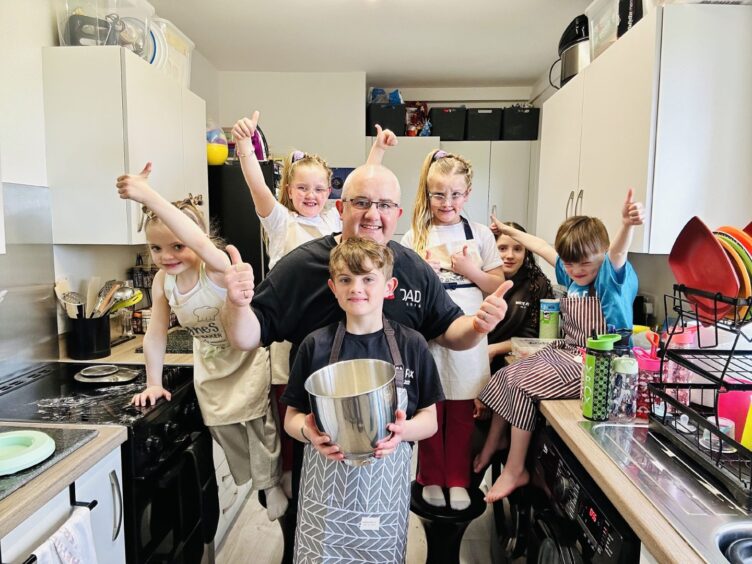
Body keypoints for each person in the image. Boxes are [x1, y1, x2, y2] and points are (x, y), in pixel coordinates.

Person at [221, 162, 513, 506]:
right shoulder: (302, 267)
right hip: (320, 452)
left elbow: (450, 330)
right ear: (341, 209)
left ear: (398, 214)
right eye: (361, 202)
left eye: (385, 205)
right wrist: (236, 303)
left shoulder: (412, 268)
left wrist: (478, 325)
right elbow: (246, 337)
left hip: (388, 463)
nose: (373, 214)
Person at [231, 115, 398, 498]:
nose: (311, 195)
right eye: (302, 187)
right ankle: (289, 480)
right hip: (291, 336)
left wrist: (379, 152)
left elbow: (365, 192)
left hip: (333, 339)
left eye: (319, 188)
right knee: (292, 412)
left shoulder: (331, 222)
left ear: (330, 196)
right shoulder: (281, 222)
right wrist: (244, 148)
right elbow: (257, 188)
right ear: (288, 190)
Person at [118, 163, 288, 521]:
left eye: (177, 245)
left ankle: (272, 480)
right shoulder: (162, 282)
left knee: (258, 422)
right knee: (222, 425)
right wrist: (152, 381)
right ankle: (260, 480)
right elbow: (156, 332)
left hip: (245, 356)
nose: (167, 256)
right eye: (156, 248)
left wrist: (149, 195)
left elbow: (196, 241)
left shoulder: (213, 265)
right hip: (210, 362)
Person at [475, 188, 644, 502]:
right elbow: (540, 246)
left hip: (600, 367)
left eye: (585, 265)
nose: (576, 271)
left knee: (524, 385)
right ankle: (496, 443)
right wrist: (508, 230)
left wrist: (627, 225)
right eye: (569, 264)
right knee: (505, 376)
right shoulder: (571, 277)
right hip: (571, 353)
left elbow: (618, 254)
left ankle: (515, 470)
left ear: (601, 258)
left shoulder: (608, 279)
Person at [282, 237, 443, 562]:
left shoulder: (412, 345)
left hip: (383, 498)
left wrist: (403, 432)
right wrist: (308, 433)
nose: (357, 287)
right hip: (324, 502)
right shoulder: (315, 346)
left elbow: (430, 420)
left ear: (389, 286)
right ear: (333, 287)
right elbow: (291, 418)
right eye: (346, 279)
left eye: (368, 278)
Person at [401, 149, 505, 511]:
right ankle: (429, 475)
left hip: (470, 328)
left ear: (468, 193)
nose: (447, 202)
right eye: (438, 194)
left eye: (455, 193)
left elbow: (496, 284)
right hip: (427, 330)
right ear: (426, 194)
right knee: (431, 403)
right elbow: (397, 286)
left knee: (461, 408)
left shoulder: (479, 235)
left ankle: (458, 478)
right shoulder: (414, 235)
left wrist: (470, 271)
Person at [487, 222, 555, 374]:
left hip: (517, 364)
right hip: (477, 360)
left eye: (517, 249)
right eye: (502, 248)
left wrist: (493, 349)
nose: (510, 255)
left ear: (526, 253)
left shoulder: (536, 284)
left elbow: (536, 338)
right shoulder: (480, 279)